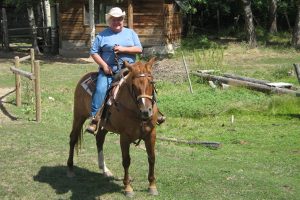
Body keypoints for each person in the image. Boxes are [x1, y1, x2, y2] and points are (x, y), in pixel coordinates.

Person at [86, 7, 165, 133]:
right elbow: (94, 52)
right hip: (109, 71)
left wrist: (123, 49)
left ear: (123, 20)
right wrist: (104, 66)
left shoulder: (130, 33)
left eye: (119, 19)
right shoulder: (102, 35)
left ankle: (155, 113)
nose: (117, 22)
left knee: (145, 84)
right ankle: (95, 119)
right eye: (114, 20)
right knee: (101, 89)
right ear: (109, 21)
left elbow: (139, 49)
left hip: (130, 70)